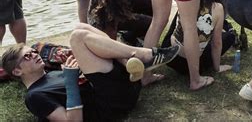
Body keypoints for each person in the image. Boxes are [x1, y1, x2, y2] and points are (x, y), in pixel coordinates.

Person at [0, 23, 179, 121]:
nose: (33, 55)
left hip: (119, 89)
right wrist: (70, 79)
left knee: (80, 28)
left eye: (32, 52)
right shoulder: (34, 96)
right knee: (77, 37)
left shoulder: (50, 74)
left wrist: (76, 62)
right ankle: (143, 55)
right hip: (113, 104)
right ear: (16, 71)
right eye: (27, 57)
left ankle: (131, 64)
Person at [162, 0, 234, 75]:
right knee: (229, 36)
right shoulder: (217, 8)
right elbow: (216, 43)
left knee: (180, 20)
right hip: (194, 65)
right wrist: (217, 67)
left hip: (170, 56)